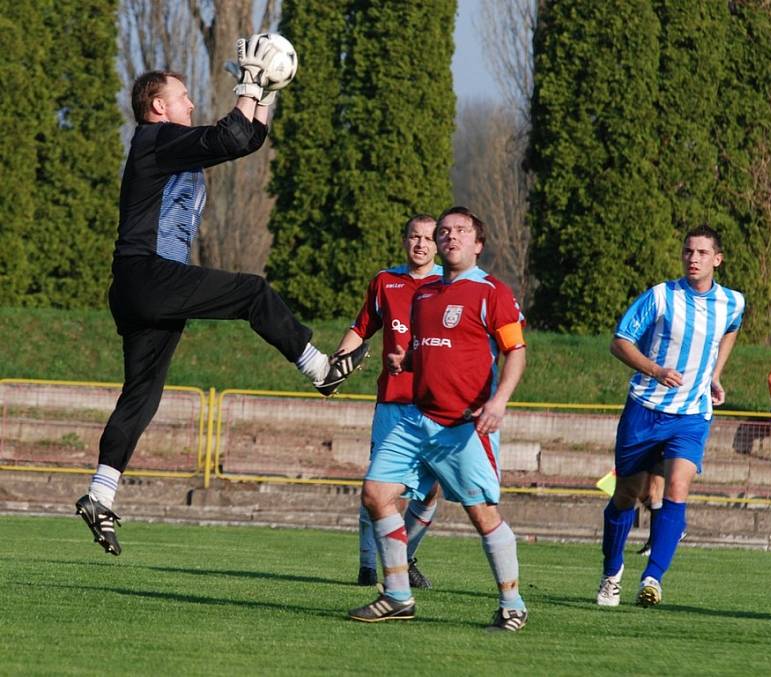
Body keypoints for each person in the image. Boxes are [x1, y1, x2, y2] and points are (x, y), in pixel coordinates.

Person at [75, 35, 367, 556]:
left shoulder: (169, 145)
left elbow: (245, 140)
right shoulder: (154, 137)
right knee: (253, 292)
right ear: (158, 106)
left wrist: (267, 92)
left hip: (138, 285)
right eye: (182, 95)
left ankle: (101, 492)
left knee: (141, 395)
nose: (190, 102)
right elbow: (230, 132)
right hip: (149, 275)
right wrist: (249, 83)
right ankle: (319, 369)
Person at [348, 206, 529, 632]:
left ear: (478, 244)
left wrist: (499, 401)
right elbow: (429, 347)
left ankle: (513, 604)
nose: (450, 237)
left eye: (461, 231)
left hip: (462, 426)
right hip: (415, 420)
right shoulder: (425, 295)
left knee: (481, 513)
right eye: (444, 231)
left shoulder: (492, 292)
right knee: (376, 493)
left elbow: (515, 351)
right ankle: (396, 595)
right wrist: (403, 358)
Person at [596, 224, 745, 608]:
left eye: (701, 253)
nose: (692, 258)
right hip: (645, 409)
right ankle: (612, 572)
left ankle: (652, 578)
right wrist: (654, 370)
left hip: (692, 414)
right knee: (627, 495)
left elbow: (731, 328)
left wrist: (714, 374)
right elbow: (620, 341)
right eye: (688, 251)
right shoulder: (661, 296)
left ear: (717, 259)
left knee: (678, 488)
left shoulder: (733, 301)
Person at [335, 215, 442, 589]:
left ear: (438, 244)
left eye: (429, 238)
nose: (421, 244)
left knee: (431, 488)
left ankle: (404, 555)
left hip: (435, 404)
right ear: (405, 240)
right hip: (393, 402)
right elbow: (362, 328)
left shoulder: (450, 284)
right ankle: (368, 565)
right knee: (380, 487)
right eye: (415, 236)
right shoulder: (385, 282)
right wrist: (338, 362)